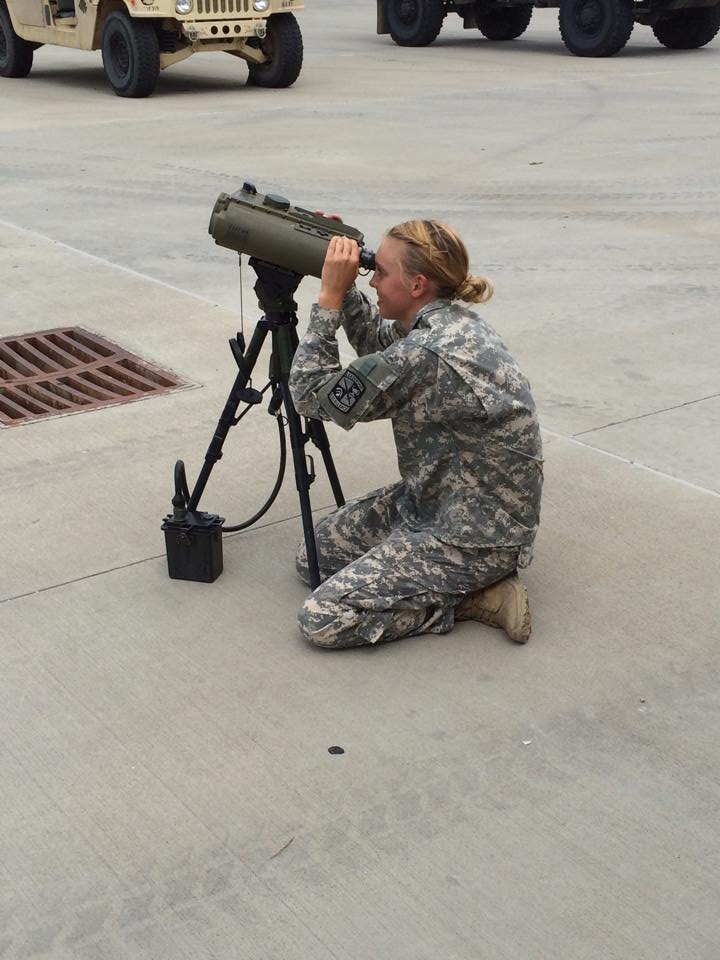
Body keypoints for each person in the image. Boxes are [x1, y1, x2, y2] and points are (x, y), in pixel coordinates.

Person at [288, 220, 543, 650]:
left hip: (477, 535)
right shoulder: (440, 321)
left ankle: (475, 596)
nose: (371, 278)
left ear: (418, 284)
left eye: (380, 272)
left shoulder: (428, 355)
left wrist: (329, 299)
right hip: (438, 500)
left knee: (323, 618)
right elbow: (373, 341)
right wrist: (341, 271)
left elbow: (314, 397)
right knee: (313, 557)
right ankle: (425, 575)